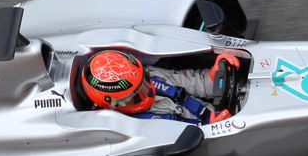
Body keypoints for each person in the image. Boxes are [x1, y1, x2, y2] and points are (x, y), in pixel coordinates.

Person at [81, 49, 238, 125]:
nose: (147, 94)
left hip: (218, 114)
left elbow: (197, 82)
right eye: (135, 97)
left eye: (144, 83)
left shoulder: (149, 74)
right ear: (111, 105)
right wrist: (213, 127)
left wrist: (215, 72)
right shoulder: (124, 127)